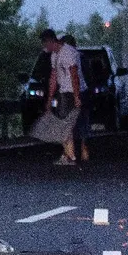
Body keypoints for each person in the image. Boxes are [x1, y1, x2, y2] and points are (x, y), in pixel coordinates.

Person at [40, 29, 83, 165]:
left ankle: (70, 156)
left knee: (63, 124)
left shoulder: (68, 52)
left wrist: (76, 96)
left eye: (46, 44)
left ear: (52, 41)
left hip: (70, 92)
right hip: (62, 91)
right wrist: (49, 99)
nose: (46, 48)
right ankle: (68, 154)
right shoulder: (54, 55)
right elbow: (53, 78)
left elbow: (74, 75)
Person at [61, 34, 91, 164]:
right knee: (83, 121)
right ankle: (84, 148)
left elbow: (72, 77)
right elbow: (88, 76)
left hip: (70, 93)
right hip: (83, 91)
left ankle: (69, 152)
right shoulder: (81, 57)